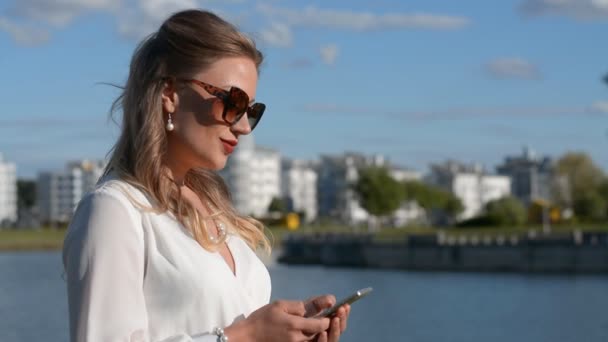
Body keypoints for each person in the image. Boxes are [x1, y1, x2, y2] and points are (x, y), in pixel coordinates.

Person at [62, 9, 351, 342]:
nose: (243, 126)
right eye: (232, 101)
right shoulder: (114, 211)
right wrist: (245, 336)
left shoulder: (216, 211)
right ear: (169, 94)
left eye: (251, 111)